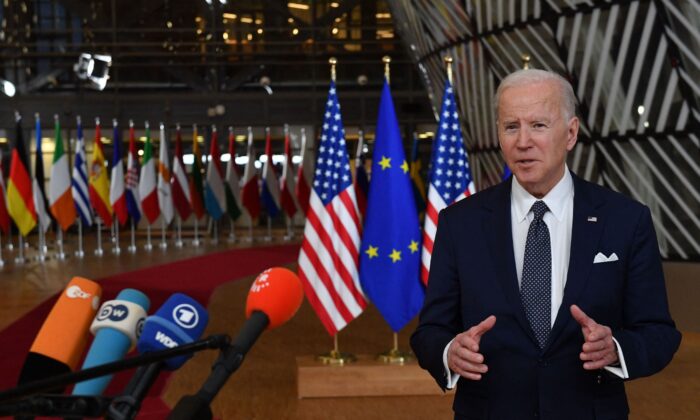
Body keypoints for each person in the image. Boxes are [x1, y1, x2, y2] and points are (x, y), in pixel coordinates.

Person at [411, 69, 681, 420]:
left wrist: (614, 349)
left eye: (538, 125)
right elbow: (430, 332)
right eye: (511, 127)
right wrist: (449, 352)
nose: (522, 141)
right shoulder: (459, 223)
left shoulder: (626, 220)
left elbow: (658, 332)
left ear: (570, 133)